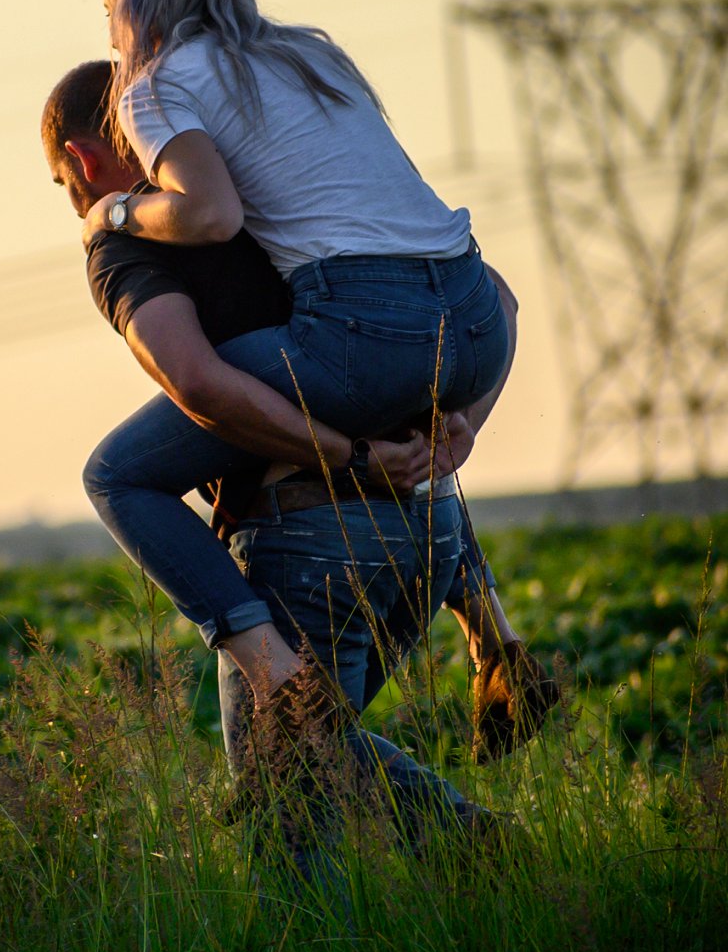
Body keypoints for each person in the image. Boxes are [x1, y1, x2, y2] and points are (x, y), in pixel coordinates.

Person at [41, 62, 557, 832]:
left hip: (312, 537)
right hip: (432, 530)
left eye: (64, 183)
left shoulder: (122, 239)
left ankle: (279, 675)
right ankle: (472, 819)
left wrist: (342, 457)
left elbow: (199, 384)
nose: (75, 201)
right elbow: (498, 300)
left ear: (82, 162)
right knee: (319, 746)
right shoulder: (275, 191)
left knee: (286, 818)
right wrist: (467, 423)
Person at [79, 0, 517, 734]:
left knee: (120, 472)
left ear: (139, 4)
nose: (108, 30)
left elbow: (208, 214)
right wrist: (464, 423)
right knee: (325, 761)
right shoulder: (312, 55)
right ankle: (493, 628)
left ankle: (267, 662)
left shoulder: (154, 83)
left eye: (108, 7)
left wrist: (117, 209)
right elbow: (428, 238)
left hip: (362, 327)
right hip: (474, 318)